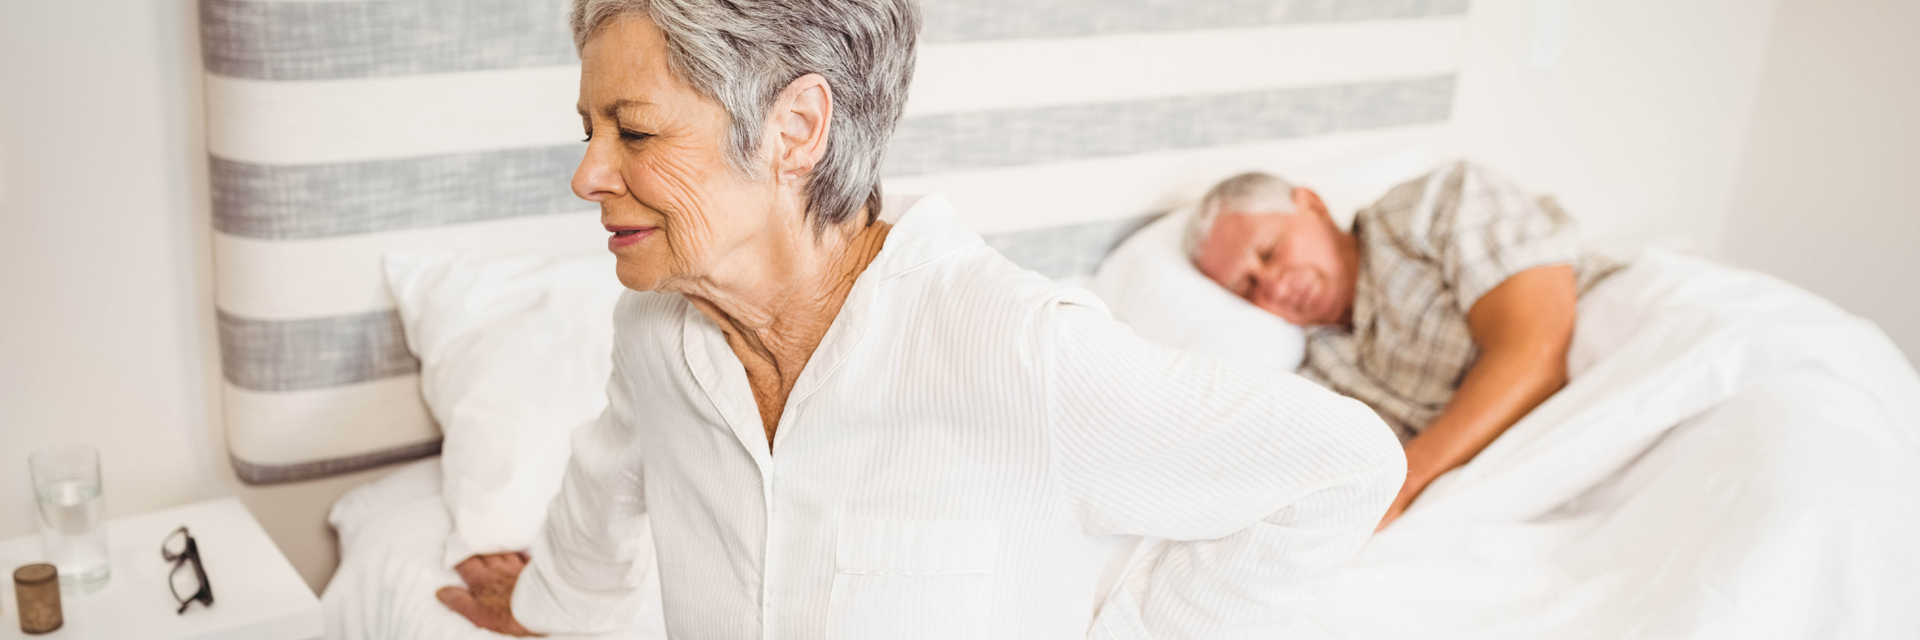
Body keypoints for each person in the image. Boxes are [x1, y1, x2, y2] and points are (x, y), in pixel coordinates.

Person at [435, 0, 1406, 637]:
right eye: (589, 129)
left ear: (795, 129)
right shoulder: (661, 335)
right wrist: (550, 605)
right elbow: (611, 477)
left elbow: (1343, 465)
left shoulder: (1009, 347)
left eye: (633, 130)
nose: (587, 174)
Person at [1186, 163, 1624, 529]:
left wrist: (1403, 489)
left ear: (1313, 206)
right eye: (1247, 287)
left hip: (1623, 364)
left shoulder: (1434, 204)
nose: (1275, 285)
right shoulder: (1319, 372)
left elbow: (1536, 358)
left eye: (1269, 251)